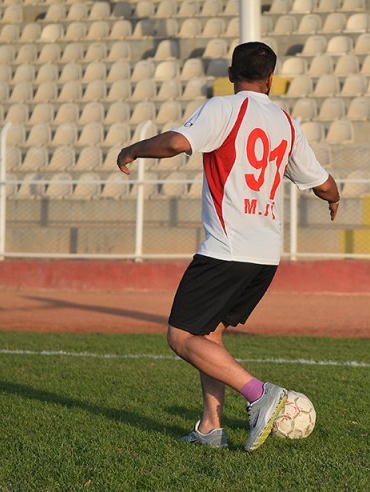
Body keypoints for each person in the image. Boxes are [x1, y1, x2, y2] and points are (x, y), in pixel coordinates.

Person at [117, 42, 340, 451]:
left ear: (231, 74)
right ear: (270, 79)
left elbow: (176, 143)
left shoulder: (224, 108)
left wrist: (133, 149)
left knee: (180, 336)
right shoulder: (287, 123)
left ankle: (260, 394)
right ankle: (210, 427)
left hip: (226, 249)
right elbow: (323, 184)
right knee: (208, 335)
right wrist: (334, 199)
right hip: (265, 256)